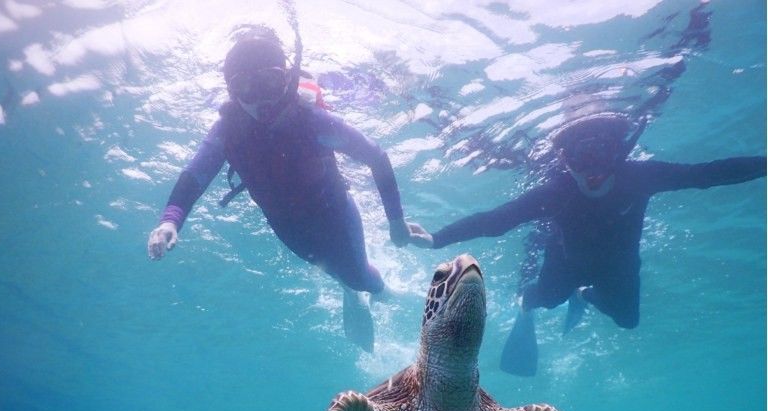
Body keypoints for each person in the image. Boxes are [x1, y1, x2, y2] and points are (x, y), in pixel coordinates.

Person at [147, 25, 430, 352]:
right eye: (247, 87)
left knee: (357, 275)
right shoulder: (228, 132)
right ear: (233, 91)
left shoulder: (311, 120)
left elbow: (376, 157)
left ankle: (383, 293)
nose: (261, 99)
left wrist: (395, 220)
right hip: (285, 225)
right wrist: (170, 220)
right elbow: (194, 177)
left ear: (286, 80)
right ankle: (352, 292)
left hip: (334, 211)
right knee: (336, 272)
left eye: (270, 82)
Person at [419, 112, 766, 376]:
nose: (592, 169)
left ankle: (583, 295)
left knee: (629, 320)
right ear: (565, 162)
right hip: (565, 264)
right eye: (579, 158)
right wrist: (436, 239)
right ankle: (529, 302)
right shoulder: (557, 191)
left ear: (619, 153)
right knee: (548, 298)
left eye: (602, 153)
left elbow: (706, 175)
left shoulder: (640, 177)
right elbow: (495, 221)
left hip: (619, 268)